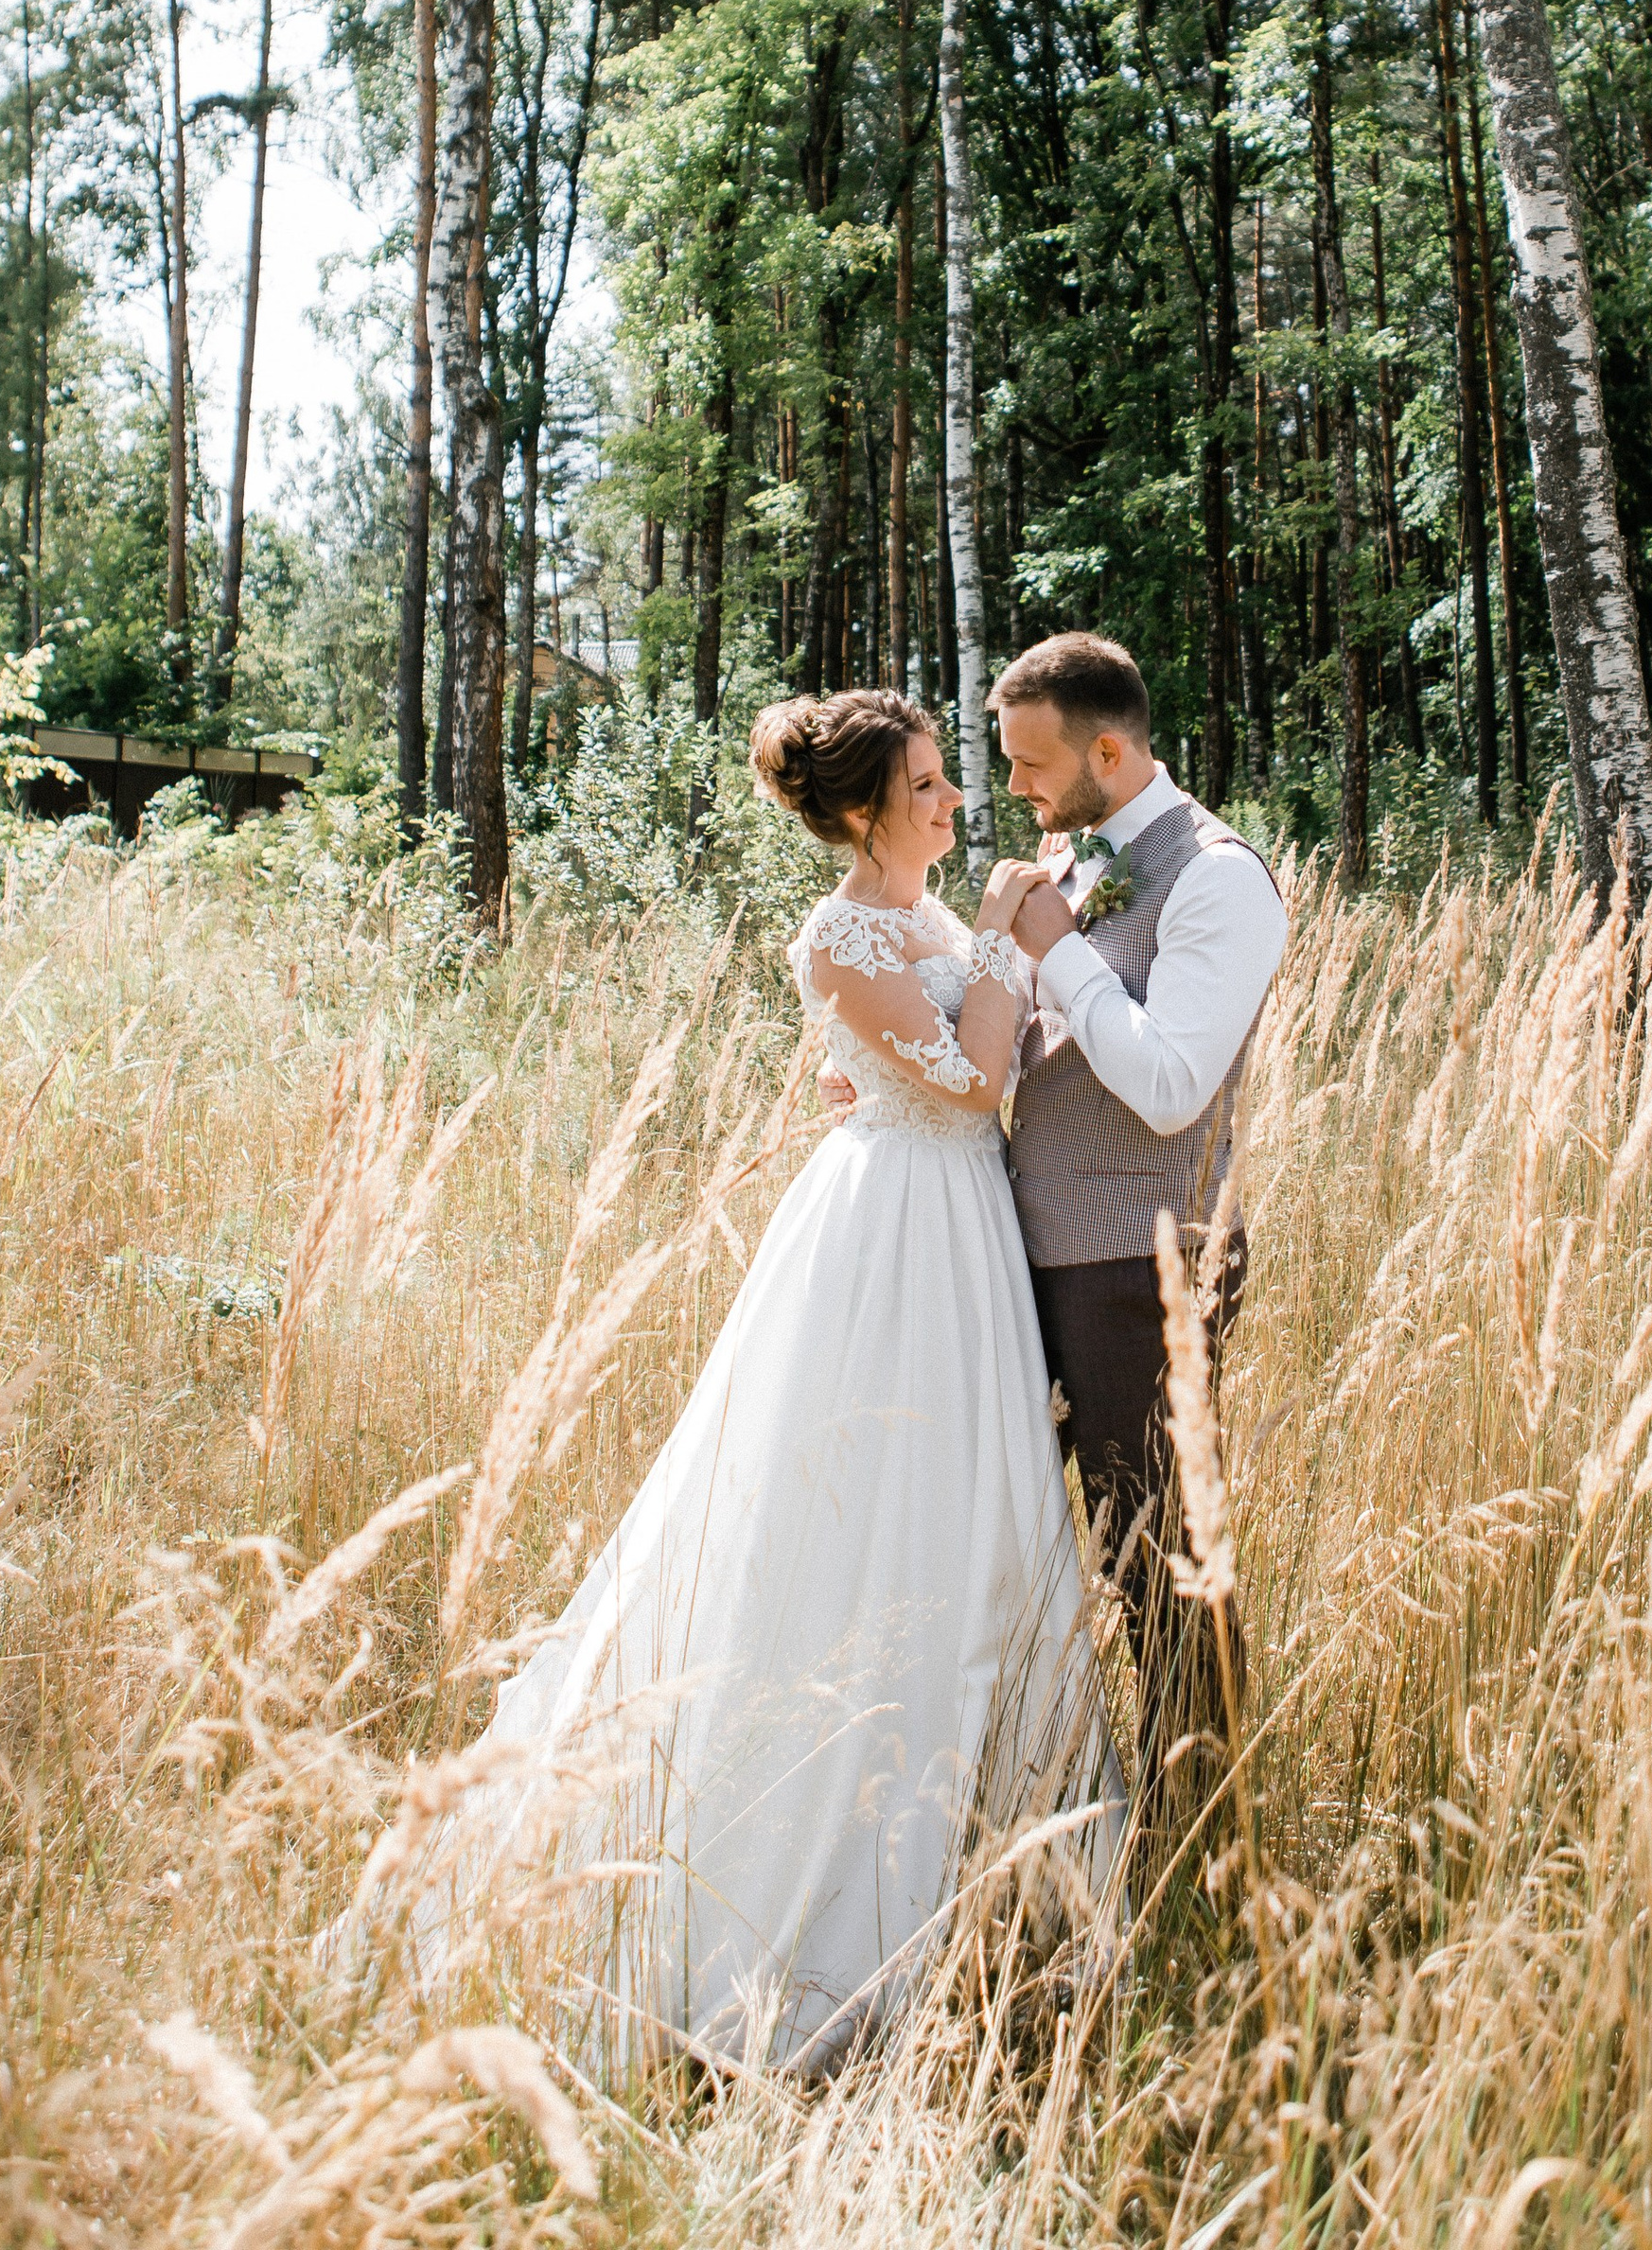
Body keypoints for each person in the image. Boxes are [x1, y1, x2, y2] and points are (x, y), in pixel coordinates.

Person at [386, 686, 1117, 2075]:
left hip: (960, 1230)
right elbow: (970, 1084)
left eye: (948, 781)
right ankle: (807, 1898)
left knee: (971, 1513)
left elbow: (912, 1070)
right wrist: (1022, 950)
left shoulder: (935, 922)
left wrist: (997, 955)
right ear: (859, 811)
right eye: (924, 786)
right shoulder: (837, 933)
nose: (954, 801)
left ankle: (1002, 1873)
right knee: (844, 1510)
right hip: (889, 1234)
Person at [978, 632, 1289, 1800]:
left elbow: (1169, 1087)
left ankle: (1201, 1828)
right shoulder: (1073, 861)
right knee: (1033, 1545)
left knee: (1157, 1561)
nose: (1013, 788)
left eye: (1029, 764)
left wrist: (1058, 954)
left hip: (1142, 1262)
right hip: (1040, 1253)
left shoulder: (1216, 874)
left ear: (1108, 749)